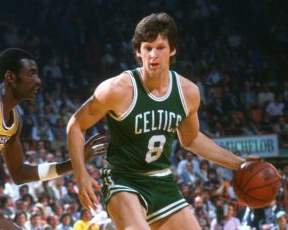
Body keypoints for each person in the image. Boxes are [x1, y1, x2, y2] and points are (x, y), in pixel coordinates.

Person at [67, 13, 251, 229]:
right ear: (138, 52)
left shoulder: (188, 92)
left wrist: (241, 164)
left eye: (160, 47)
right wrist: (81, 175)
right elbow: (76, 125)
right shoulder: (117, 89)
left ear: (172, 50)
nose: (153, 55)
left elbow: (191, 140)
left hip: (161, 180)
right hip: (122, 179)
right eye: (147, 48)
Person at [0, 48, 107, 230]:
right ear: (10, 77)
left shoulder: (15, 121)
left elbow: (19, 173)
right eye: (31, 74)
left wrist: (75, 163)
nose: (38, 81)